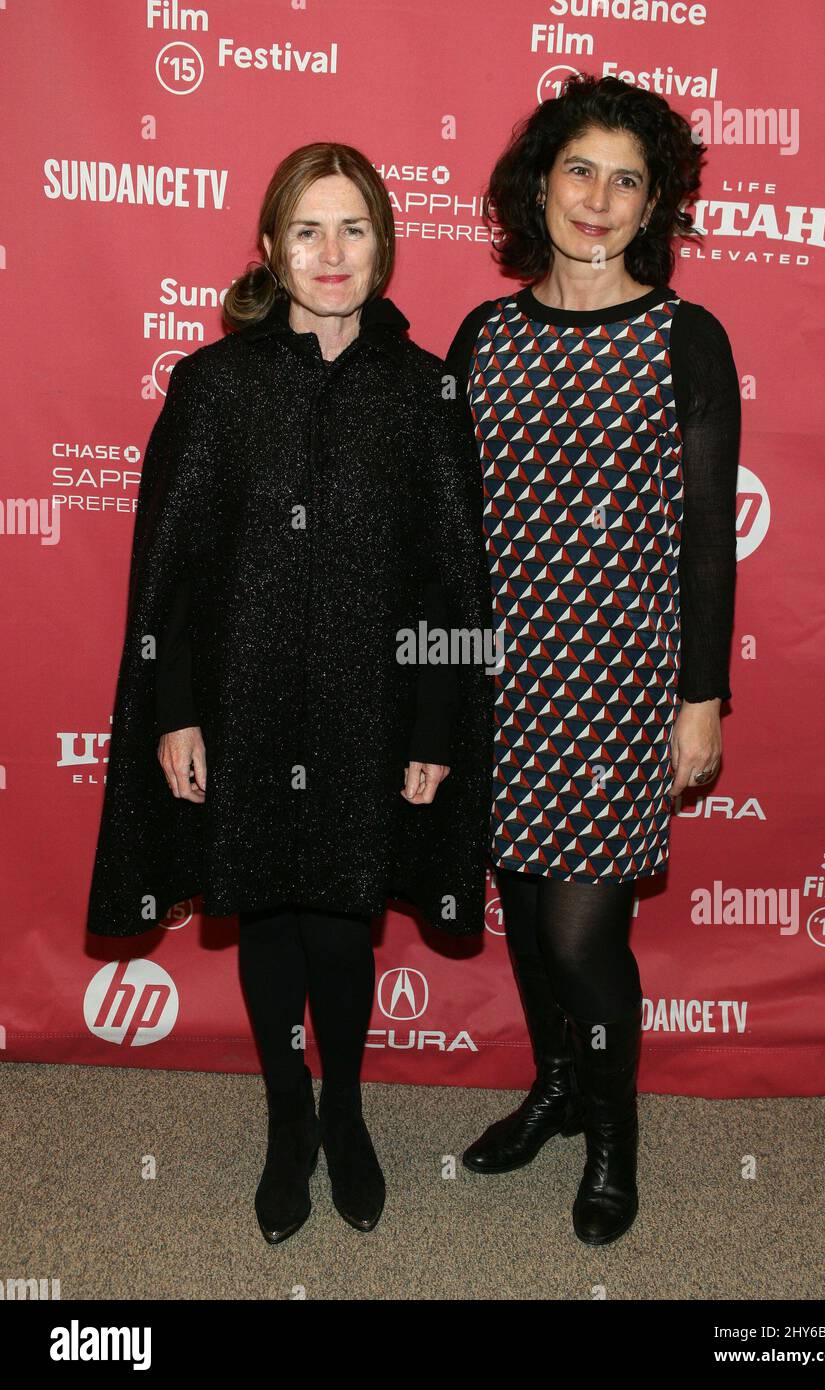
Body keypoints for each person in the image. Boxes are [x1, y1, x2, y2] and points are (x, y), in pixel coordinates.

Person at [85, 143, 494, 1245]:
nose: (329, 252)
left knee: (340, 920)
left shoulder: (424, 391)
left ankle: (346, 1112)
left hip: (371, 706)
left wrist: (435, 722)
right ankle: (286, 1116)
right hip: (244, 703)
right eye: (306, 230)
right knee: (265, 904)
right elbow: (169, 570)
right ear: (269, 248)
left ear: (384, 248)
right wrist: (174, 709)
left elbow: (455, 571)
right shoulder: (213, 385)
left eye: (352, 228)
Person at [444, 75, 741, 1245]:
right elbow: (453, 534)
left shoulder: (684, 339)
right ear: (540, 181)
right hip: (496, 679)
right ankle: (557, 1086)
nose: (599, 199)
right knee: (523, 917)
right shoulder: (484, 336)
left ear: (653, 202)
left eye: (628, 179)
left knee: (580, 935)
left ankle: (612, 1132)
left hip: (618, 686)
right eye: (580, 170)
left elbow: (706, 539)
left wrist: (699, 699)